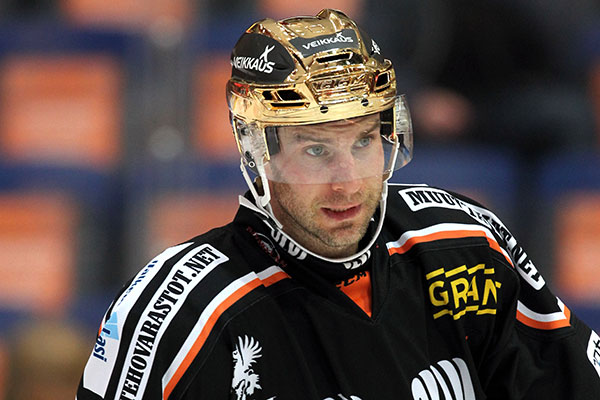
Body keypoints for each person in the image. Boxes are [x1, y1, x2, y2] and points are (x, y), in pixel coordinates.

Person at [77, 9, 600, 399]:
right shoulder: (177, 312)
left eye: (364, 141)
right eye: (316, 149)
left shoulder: (464, 244)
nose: (347, 182)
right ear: (258, 151)